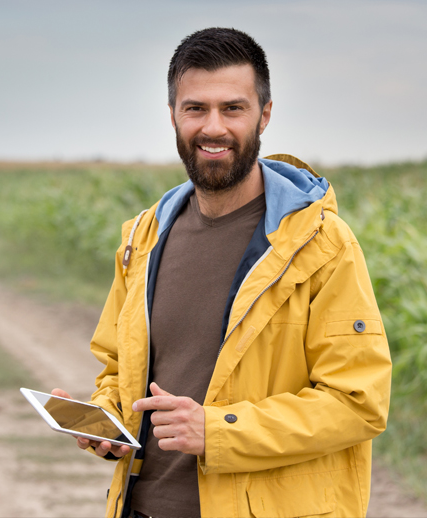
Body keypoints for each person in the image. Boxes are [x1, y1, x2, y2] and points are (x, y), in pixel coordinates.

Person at [51, 27, 392, 518]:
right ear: (173, 115)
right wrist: (109, 421)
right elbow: (117, 367)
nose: (214, 127)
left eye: (233, 108)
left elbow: (358, 403)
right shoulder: (144, 237)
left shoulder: (322, 245)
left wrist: (217, 431)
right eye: (196, 109)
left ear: (264, 115)